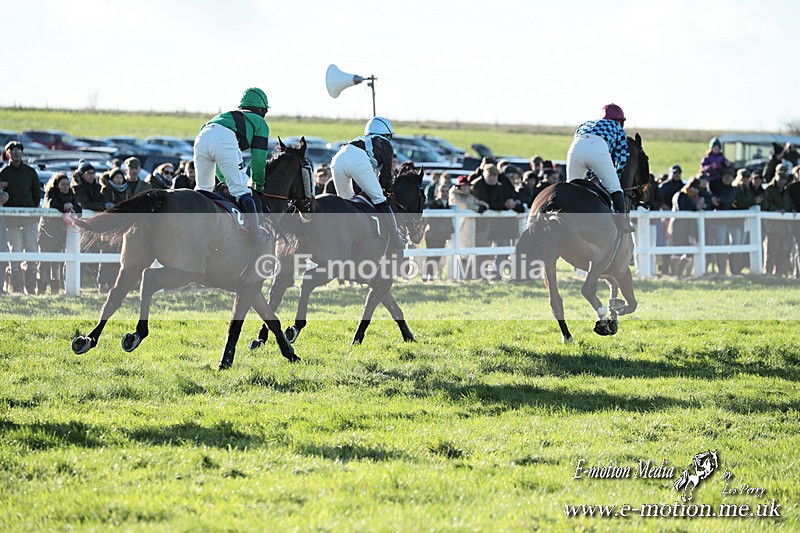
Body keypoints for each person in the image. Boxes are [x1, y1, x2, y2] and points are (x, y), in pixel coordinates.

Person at [194, 87, 271, 244]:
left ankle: (194, 230)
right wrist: (259, 186)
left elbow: (222, 163)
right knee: (242, 190)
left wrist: (225, 181)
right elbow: (258, 160)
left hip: (202, 136)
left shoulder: (227, 116)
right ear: (261, 110)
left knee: (203, 190)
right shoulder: (260, 123)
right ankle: (256, 236)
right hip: (224, 138)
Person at [330, 116, 404, 249]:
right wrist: (388, 190)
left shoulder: (361, 140)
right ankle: (395, 238)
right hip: (356, 158)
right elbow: (386, 175)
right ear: (385, 134)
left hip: (337, 158)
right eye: (390, 136)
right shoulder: (384, 143)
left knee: (346, 203)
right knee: (380, 200)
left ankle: (341, 239)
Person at [565, 103, 634, 233]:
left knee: (572, 188)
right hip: (598, 148)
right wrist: (614, 176)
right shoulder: (617, 128)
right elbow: (622, 158)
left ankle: (566, 219)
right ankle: (623, 222)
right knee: (615, 188)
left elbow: (583, 149)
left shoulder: (585, 124)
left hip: (575, 148)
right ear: (620, 121)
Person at [0, 141, 41, 294]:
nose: (16, 153)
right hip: (11, 222)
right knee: (15, 252)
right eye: (12, 150)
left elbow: (37, 195)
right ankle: (17, 288)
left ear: (22, 153)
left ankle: (31, 288)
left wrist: (31, 210)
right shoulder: (3, 173)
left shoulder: (30, 172)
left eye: (18, 150)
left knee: (32, 252)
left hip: (29, 220)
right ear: (8, 153)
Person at [38, 172, 81, 294]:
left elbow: (79, 209)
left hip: (60, 234)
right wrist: (64, 206)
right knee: (44, 263)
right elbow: (50, 204)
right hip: (47, 231)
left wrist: (71, 206)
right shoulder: (50, 194)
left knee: (56, 264)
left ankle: (55, 289)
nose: (66, 187)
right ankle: (41, 288)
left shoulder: (71, 196)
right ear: (57, 185)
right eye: (63, 184)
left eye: (67, 184)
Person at [761, 164, 794, 276]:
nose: (781, 181)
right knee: (771, 252)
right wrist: (776, 210)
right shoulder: (769, 190)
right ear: (776, 177)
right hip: (772, 227)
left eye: (784, 179)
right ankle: (768, 273)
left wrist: (792, 210)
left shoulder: (785, 192)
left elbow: (789, 205)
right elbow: (765, 205)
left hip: (784, 227)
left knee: (782, 252)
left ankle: (778, 273)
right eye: (780, 179)